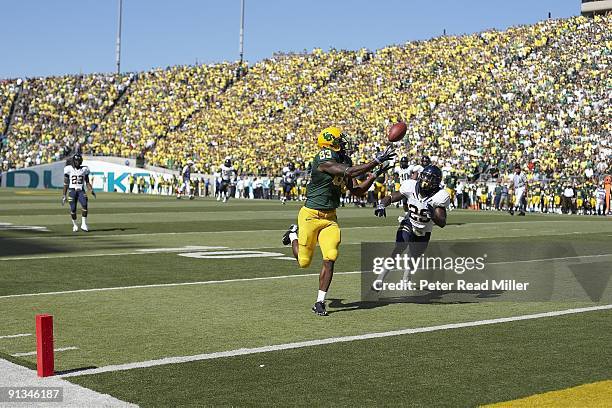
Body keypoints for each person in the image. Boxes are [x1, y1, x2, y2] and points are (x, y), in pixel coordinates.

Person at [281, 126, 395, 316]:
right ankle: (293, 233)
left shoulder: (345, 159)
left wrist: (375, 174)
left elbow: (357, 191)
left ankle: (319, 302)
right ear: (330, 144)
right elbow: (349, 172)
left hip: (330, 218)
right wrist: (375, 161)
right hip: (310, 215)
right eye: (339, 140)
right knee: (303, 262)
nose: (343, 142)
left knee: (331, 256)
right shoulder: (323, 159)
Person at [373, 165, 449, 286]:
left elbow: (442, 222)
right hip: (409, 221)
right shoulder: (411, 186)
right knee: (399, 247)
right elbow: (392, 197)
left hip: (424, 230)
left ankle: (405, 279)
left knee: (414, 256)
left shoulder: (440, 196)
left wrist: (433, 215)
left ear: (435, 182)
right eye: (424, 176)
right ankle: (380, 278)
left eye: (429, 178)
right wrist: (382, 205)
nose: (425, 180)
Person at [62, 154, 96, 232]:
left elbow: (87, 182)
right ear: (73, 161)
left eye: (78, 161)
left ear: (80, 161)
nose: (77, 162)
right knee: (73, 209)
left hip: (81, 190)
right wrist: (64, 195)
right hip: (72, 190)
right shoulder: (68, 169)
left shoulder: (84, 169)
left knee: (84, 204)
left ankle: (84, 224)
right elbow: (66, 183)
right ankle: (74, 225)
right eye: (76, 161)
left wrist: (91, 190)